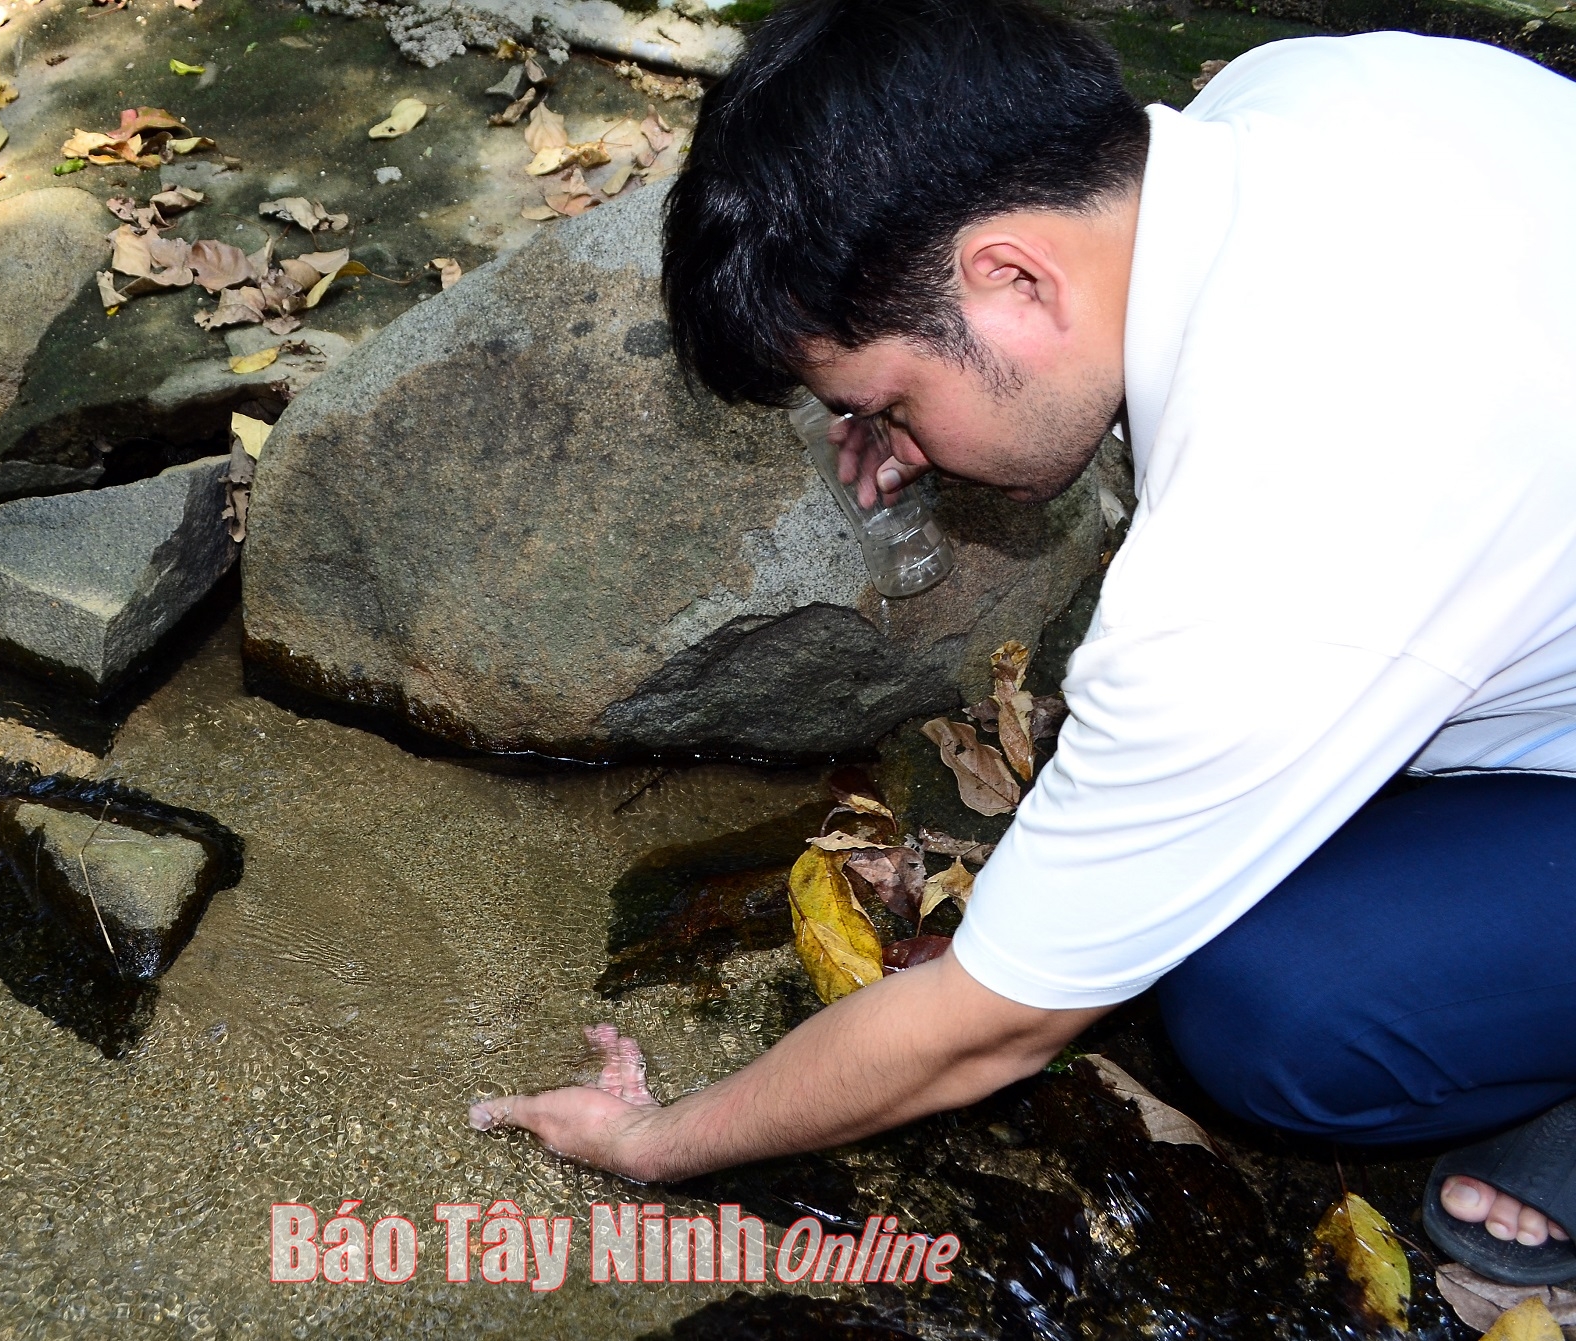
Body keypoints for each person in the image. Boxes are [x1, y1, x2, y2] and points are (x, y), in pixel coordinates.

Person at [470, 0, 1576, 1286]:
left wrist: (656, 1140)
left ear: (1012, 279)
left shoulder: (1270, 552)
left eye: (886, 403)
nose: (889, 441)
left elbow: (990, 1025)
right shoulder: (1299, 98)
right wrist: (941, 412)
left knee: (1280, 1010)